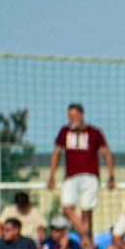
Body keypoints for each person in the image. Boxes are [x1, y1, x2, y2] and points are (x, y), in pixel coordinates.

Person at [46, 103, 115, 242]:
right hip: (70, 176)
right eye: (69, 116)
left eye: (73, 115)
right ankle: (86, 237)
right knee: (67, 208)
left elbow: (106, 153)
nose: (70, 119)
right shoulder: (64, 131)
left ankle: (86, 245)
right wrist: (51, 175)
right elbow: (56, 153)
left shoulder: (94, 132)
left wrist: (111, 175)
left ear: (81, 115)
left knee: (86, 211)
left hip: (90, 176)